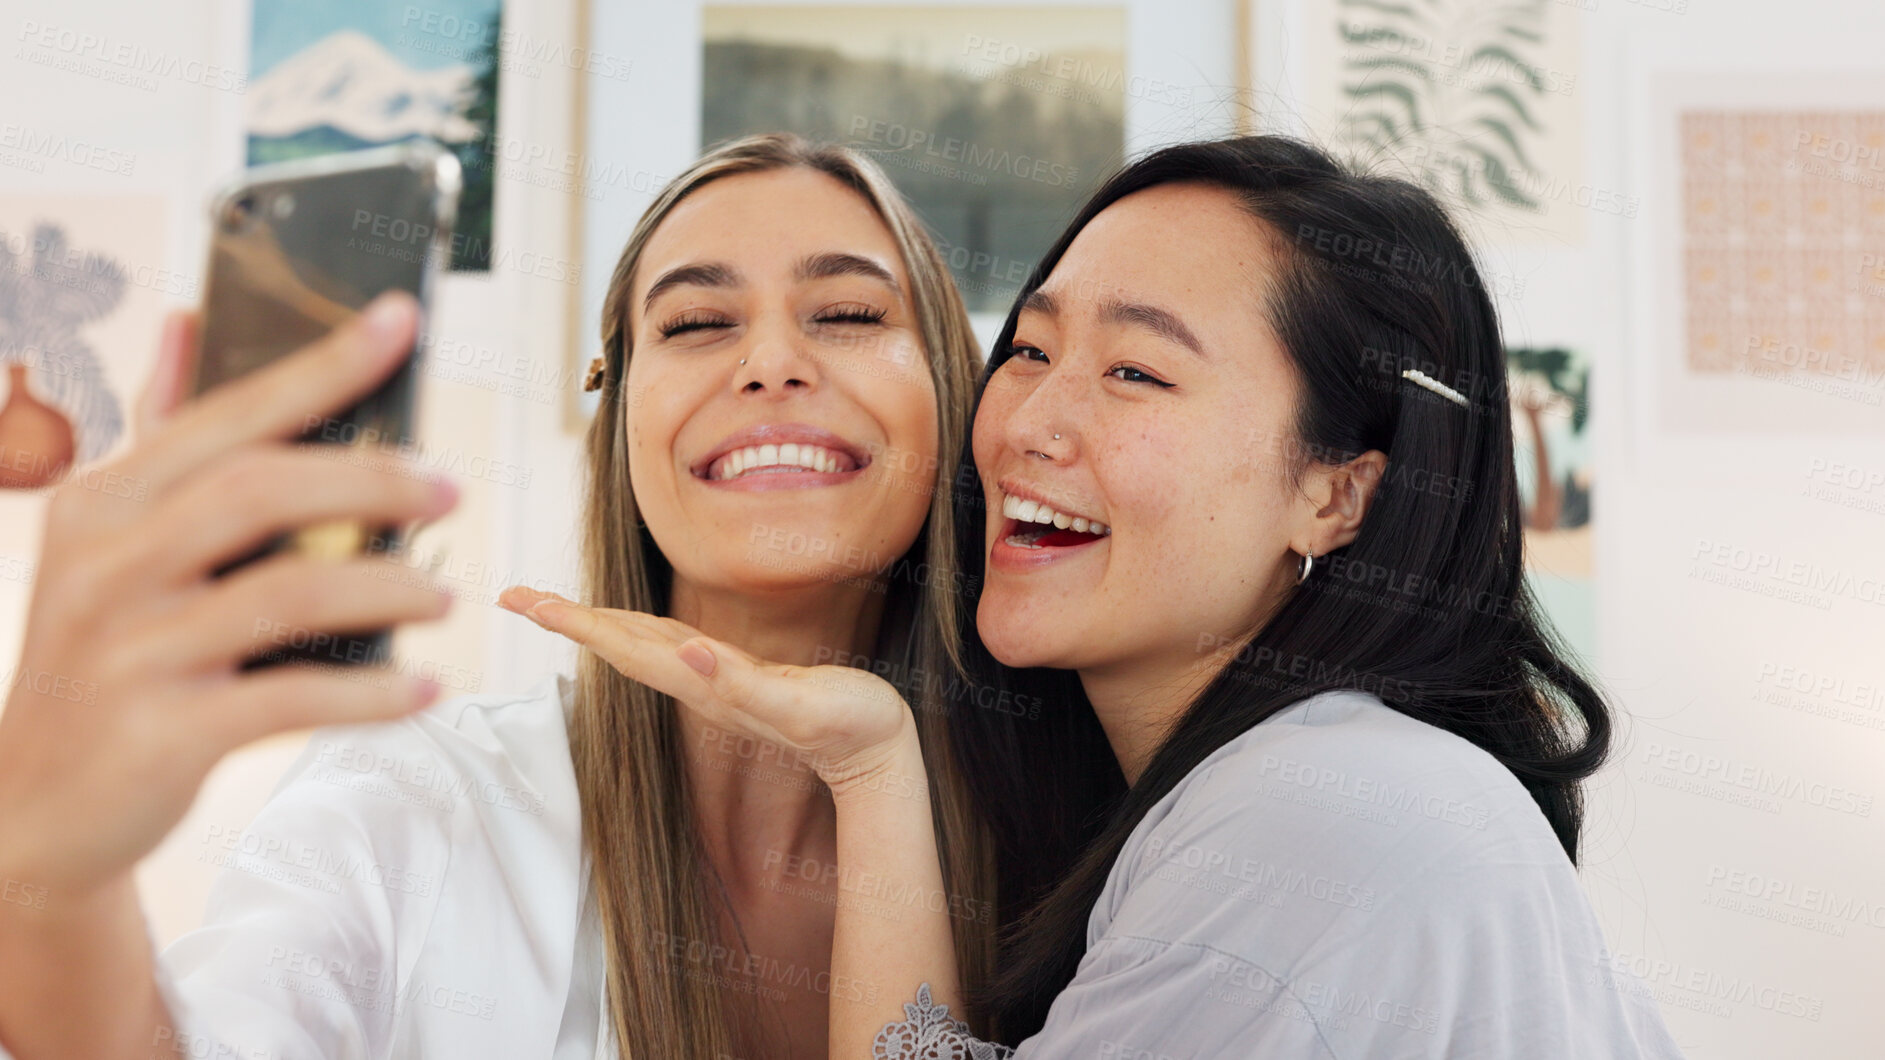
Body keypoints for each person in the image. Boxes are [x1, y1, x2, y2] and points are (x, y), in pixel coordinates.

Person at [519, 136, 1688, 1058]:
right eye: (1025, 351)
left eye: (1136, 370)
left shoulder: (1319, 813)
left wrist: (873, 771)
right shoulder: (1198, 807)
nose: (1029, 423)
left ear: (1337, 495)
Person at [0, 133, 995, 1060]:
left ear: (952, 391)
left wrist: (875, 768)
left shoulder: (1084, 841)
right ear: (619, 419)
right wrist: (50, 890)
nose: (771, 362)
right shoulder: (418, 794)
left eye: (852, 315)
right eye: (695, 323)